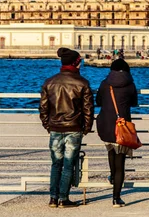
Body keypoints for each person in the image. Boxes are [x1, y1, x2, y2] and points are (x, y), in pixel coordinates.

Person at [40, 48, 94, 208]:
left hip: (55, 128)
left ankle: (53, 198)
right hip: (74, 128)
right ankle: (64, 198)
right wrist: (86, 128)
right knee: (69, 165)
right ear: (76, 64)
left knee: (56, 163)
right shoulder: (82, 83)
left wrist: (47, 125)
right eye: (80, 62)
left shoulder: (49, 82)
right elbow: (88, 109)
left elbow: (43, 108)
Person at [96, 59, 138, 208]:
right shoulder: (130, 85)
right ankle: (116, 198)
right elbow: (134, 103)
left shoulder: (104, 84)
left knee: (111, 150)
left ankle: (112, 176)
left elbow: (98, 102)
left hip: (106, 125)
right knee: (120, 162)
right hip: (121, 127)